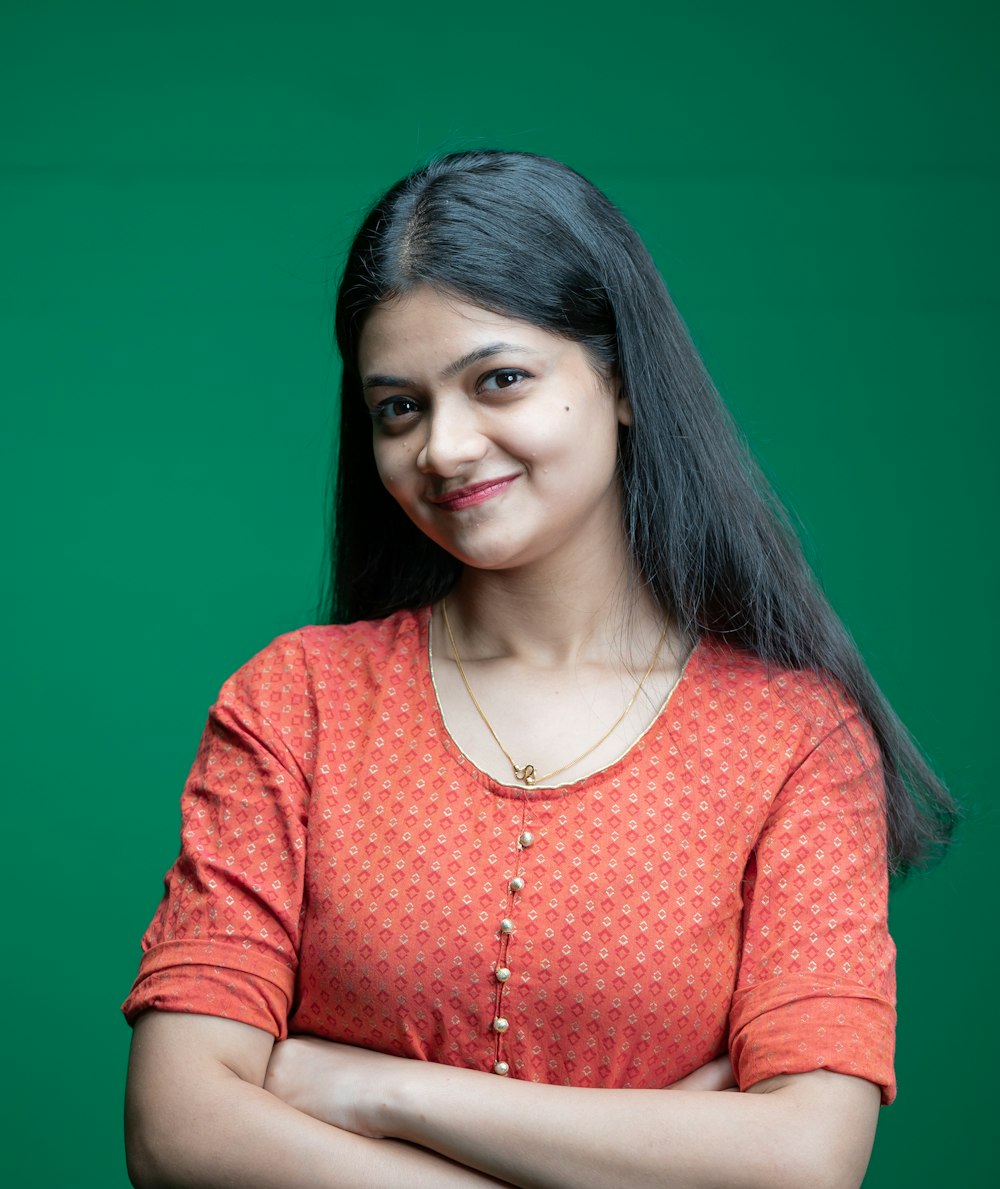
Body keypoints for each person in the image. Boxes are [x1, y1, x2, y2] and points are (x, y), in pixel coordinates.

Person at [123, 150, 956, 1189]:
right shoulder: (295, 704)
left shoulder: (794, 739)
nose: (445, 447)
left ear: (621, 382)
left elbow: (801, 1160)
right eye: (400, 408)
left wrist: (374, 1090)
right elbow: (178, 1129)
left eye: (498, 380)